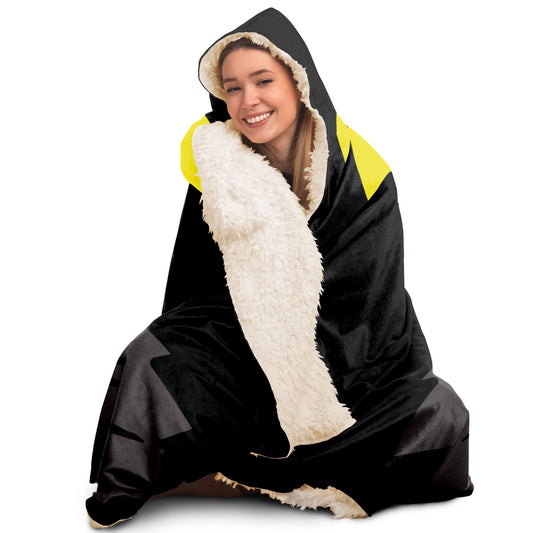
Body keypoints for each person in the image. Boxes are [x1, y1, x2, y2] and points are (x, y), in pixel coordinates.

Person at [86, 8, 473, 528]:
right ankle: (140, 482)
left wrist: (303, 363)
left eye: (263, 80)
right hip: (246, 344)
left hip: (354, 361)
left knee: (440, 412)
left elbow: (373, 303)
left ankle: (287, 459)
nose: (249, 100)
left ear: (298, 80)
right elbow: (198, 283)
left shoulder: (365, 174)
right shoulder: (220, 168)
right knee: (153, 355)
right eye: (233, 88)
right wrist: (236, 347)